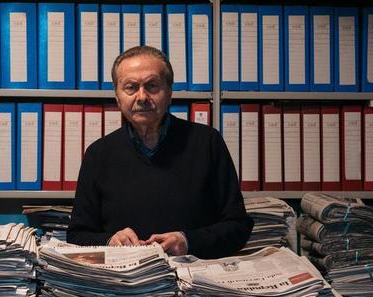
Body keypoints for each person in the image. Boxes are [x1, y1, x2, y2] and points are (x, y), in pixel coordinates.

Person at [67, 46, 253, 259]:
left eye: (152, 86)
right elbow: (77, 235)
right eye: (130, 87)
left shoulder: (207, 142)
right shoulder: (98, 154)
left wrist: (188, 241)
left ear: (170, 92)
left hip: (194, 282)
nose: (142, 97)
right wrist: (110, 241)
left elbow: (238, 226)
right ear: (117, 97)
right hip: (125, 283)